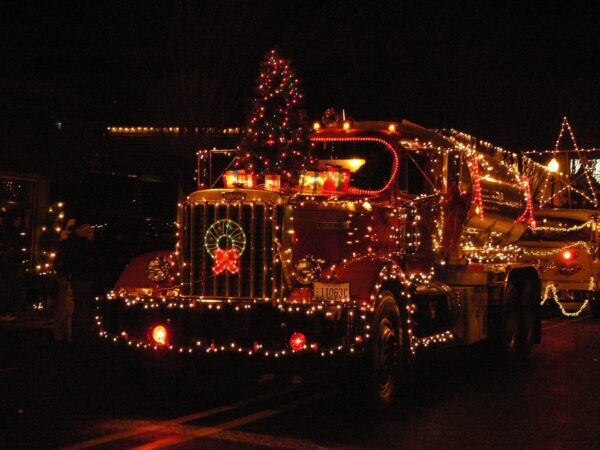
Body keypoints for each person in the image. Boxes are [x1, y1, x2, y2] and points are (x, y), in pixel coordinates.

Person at [53, 219, 95, 343]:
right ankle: (75, 335)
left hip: (71, 279)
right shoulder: (85, 246)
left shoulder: (67, 244)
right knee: (78, 308)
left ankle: (64, 334)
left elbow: (59, 262)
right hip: (80, 279)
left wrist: (62, 276)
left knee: (67, 308)